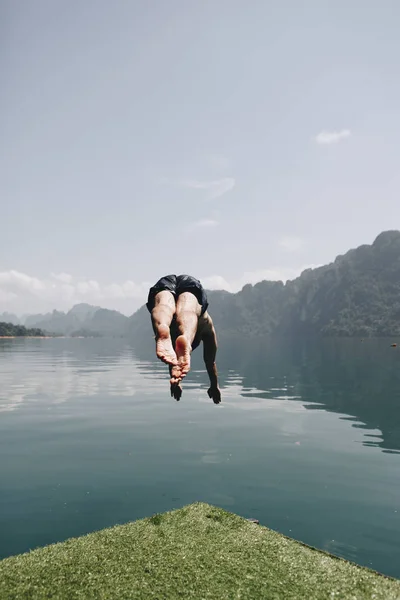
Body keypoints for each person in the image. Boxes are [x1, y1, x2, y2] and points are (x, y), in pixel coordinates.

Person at [146, 274, 221, 404]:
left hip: (180, 285)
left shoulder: (207, 330)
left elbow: (172, 359)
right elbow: (210, 362)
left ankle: (163, 326)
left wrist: (176, 380)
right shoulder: (207, 329)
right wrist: (214, 385)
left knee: (165, 305)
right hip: (190, 288)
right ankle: (184, 335)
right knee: (188, 310)